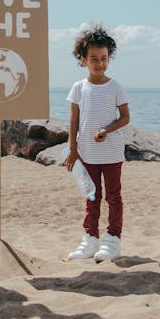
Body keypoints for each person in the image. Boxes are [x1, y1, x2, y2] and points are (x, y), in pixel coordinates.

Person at [65, 26, 130, 262]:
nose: (99, 63)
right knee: (91, 197)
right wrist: (73, 150)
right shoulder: (78, 88)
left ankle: (112, 240)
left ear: (109, 59)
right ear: (83, 60)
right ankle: (90, 239)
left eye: (104, 59)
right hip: (87, 153)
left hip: (112, 153)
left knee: (114, 196)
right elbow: (73, 119)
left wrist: (107, 130)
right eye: (94, 59)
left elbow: (125, 117)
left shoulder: (115, 87)